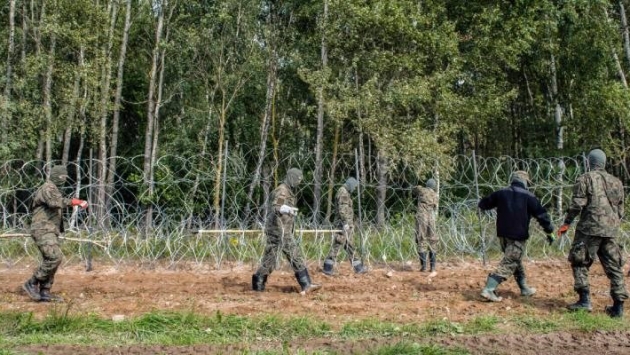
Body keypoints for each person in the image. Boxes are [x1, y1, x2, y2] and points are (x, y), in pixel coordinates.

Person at [558, 149, 627, 317]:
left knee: (579, 261)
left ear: (589, 162)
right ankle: (618, 307)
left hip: (589, 228)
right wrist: (612, 223)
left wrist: (566, 223)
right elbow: (620, 209)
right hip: (610, 229)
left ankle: (584, 300)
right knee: (614, 266)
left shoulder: (585, 178)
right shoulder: (616, 181)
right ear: (603, 163)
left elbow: (577, 204)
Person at [478, 170, 555, 302]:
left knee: (515, 260)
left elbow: (483, 204)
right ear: (525, 181)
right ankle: (489, 289)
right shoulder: (529, 197)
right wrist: (549, 231)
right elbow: (542, 216)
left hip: (502, 235)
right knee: (511, 261)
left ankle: (524, 288)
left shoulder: (501, 193)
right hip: (517, 235)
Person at [22, 165, 88, 302]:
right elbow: (55, 203)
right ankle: (32, 282)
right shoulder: (48, 188)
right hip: (42, 229)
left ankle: (45, 291)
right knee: (55, 257)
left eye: (65, 178)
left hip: (50, 230)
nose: (63, 180)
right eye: (61, 177)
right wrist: (76, 202)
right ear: (55, 176)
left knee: (50, 259)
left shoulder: (54, 189)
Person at [252, 168, 321, 295]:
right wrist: (287, 209)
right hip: (280, 229)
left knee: (270, 258)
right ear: (291, 177)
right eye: (297, 179)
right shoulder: (283, 191)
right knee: (294, 254)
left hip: (280, 229)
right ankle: (306, 284)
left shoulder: (287, 190)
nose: (299, 182)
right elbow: (276, 206)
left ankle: (258, 283)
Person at [322, 177, 367, 276]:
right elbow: (342, 209)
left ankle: (358, 267)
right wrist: (345, 223)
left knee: (349, 245)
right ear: (350, 184)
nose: (355, 189)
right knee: (337, 245)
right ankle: (327, 267)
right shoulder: (343, 193)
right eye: (354, 186)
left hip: (344, 224)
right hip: (343, 225)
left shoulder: (343, 191)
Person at [414, 178, 439, 274]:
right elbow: (435, 207)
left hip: (422, 217)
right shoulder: (435, 195)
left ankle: (423, 266)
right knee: (433, 240)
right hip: (431, 218)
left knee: (421, 239)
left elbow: (415, 189)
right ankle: (432, 267)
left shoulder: (422, 190)